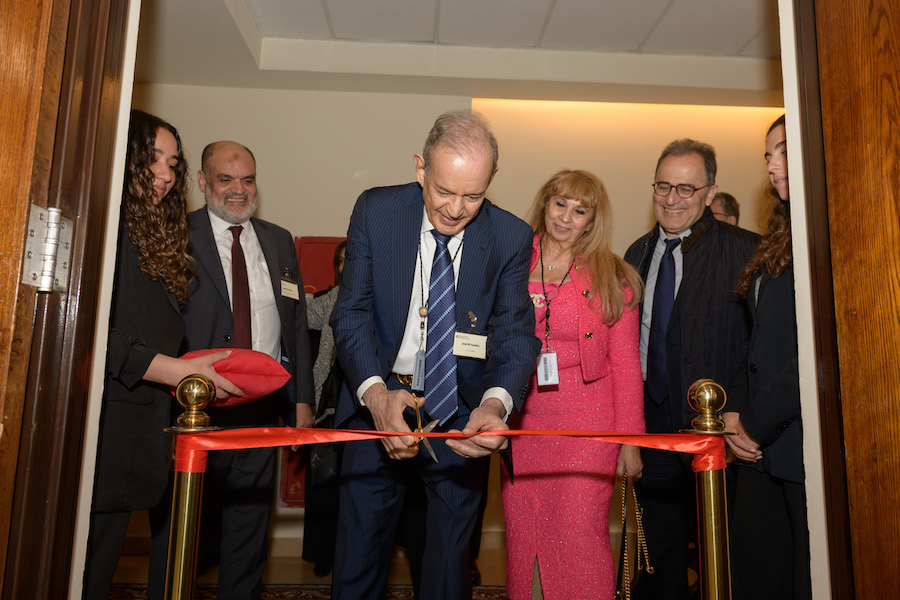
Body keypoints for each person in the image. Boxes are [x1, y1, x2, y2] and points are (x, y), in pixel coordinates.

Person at [330, 109, 541, 600]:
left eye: (473, 195)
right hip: (377, 405)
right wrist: (376, 394)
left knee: (448, 568)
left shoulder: (509, 236)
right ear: (420, 168)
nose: (455, 208)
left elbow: (514, 334)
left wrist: (494, 406)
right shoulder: (376, 212)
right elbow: (352, 313)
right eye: (444, 191)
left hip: (461, 416)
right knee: (358, 557)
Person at [82, 111, 241, 600]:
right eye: (152, 158)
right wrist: (179, 372)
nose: (166, 174)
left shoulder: (148, 236)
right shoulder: (103, 228)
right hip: (100, 433)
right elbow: (94, 334)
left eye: (173, 163)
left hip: (135, 433)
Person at [174, 140, 315, 600]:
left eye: (248, 179)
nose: (239, 190)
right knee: (184, 528)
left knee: (249, 531)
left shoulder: (278, 240)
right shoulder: (176, 234)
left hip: (262, 409)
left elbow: (294, 323)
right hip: (193, 407)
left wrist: (302, 400)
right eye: (226, 179)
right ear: (202, 182)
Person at [623, 139, 759, 600]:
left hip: (720, 431)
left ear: (709, 191)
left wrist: (744, 411)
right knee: (662, 551)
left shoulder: (748, 253)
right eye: (663, 186)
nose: (672, 198)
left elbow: (764, 345)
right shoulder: (636, 253)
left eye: (685, 187)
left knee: (722, 552)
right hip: (653, 426)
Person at [501, 169, 645, 599]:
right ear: (544, 203)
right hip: (522, 421)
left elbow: (624, 364)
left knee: (580, 535)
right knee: (524, 536)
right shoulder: (510, 260)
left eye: (579, 210)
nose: (566, 217)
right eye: (559, 203)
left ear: (592, 220)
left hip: (589, 426)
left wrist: (630, 441)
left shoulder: (612, 276)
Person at [723, 116, 812, 600]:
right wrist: (735, 412)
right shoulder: (781, 239)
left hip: (798, 446)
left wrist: (755, 424)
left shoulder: (827, 234)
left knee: (803, 578)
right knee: (755, 573)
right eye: (768, 155)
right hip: (757, 447)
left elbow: (811, 356)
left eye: (783, 151)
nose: (772, 165)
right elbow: (757, 345)